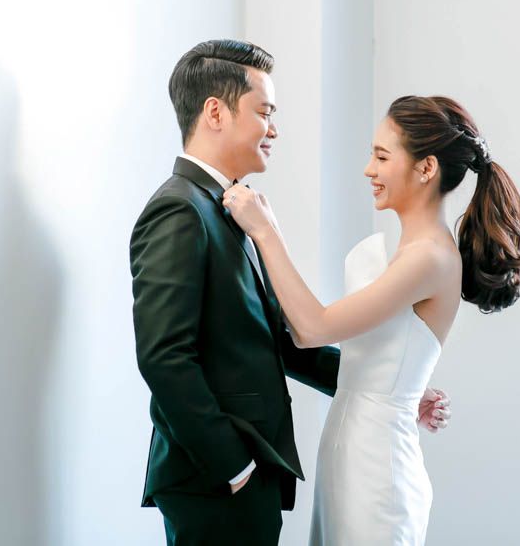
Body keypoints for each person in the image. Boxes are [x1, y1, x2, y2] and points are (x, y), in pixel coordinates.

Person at [130, 40, 452, 546]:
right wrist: (232, 465)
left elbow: (277, 338)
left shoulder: (226, 205)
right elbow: (163, 357)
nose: (274, 129)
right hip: (216, 479)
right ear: (215, 112)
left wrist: (388, 387)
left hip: (252, 472)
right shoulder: (180, 209)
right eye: (265, 112)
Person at [223, 95, 520, 545]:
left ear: (426, 168)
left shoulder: (429, 257)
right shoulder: (408, 252)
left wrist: (265, 232)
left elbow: (312, 328)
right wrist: (406, 388)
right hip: (350, 454)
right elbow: (372, 351)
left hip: (377, 472)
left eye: (382, 157)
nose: (368, 170)